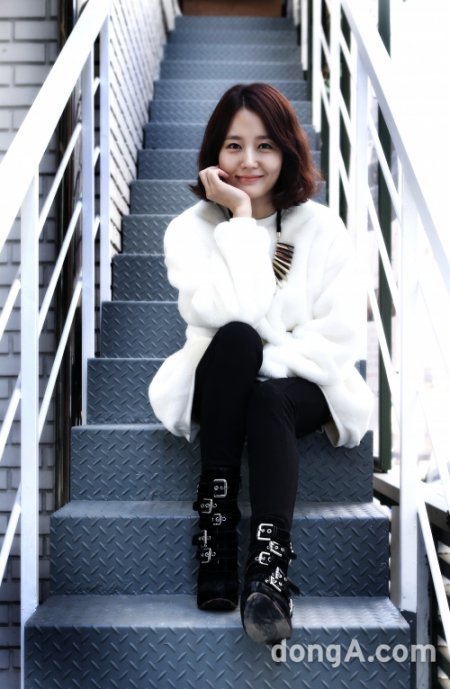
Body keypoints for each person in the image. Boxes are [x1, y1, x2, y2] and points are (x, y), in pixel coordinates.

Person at [149, 82, 373, 646]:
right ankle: (217, 526)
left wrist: (269, 365)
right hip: (225, 371)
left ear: (287, 150)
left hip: (306, 378)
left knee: (269, 394)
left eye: (265, 145)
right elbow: (233, 313)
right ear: (214, 155)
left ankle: (268, 572)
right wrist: (242, 218)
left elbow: (340, 334)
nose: (249, 161)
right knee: (236, 339)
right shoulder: (190, 230)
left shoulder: (323, 228)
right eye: (234, 146)